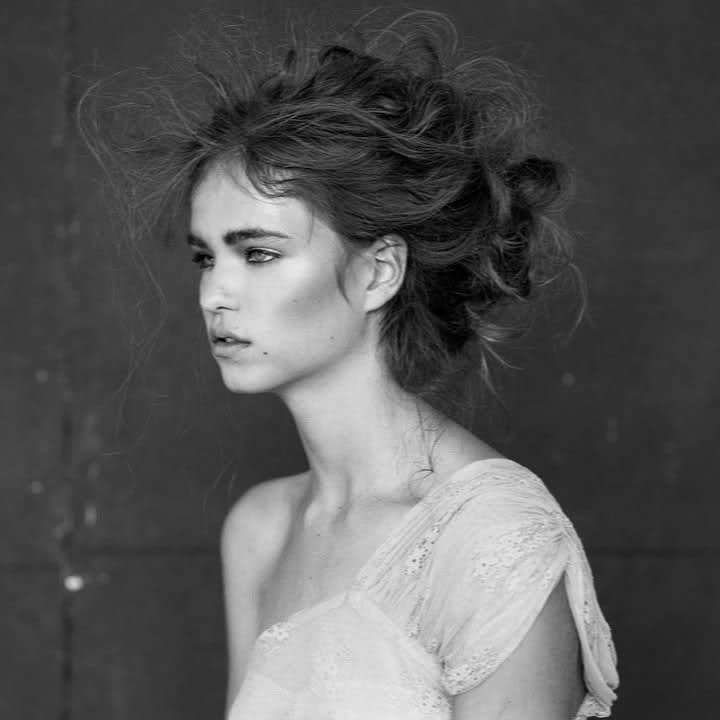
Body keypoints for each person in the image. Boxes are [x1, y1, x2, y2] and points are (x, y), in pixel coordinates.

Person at [80, 8, 619, 719]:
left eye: (259, 253)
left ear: (379, 271)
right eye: (206, 258)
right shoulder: (261, 529)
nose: (214, 294)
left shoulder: (490, 537)